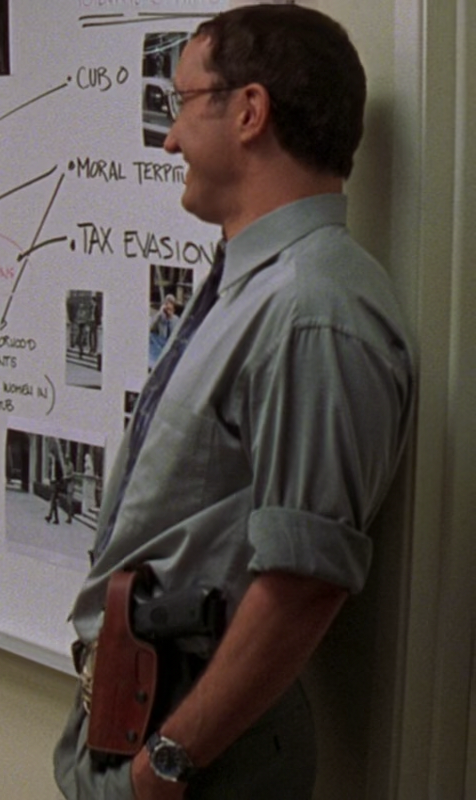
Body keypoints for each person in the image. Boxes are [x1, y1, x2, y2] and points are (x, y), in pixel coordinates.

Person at [54, 7, 415, 798]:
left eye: (181, 102)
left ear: (250, 112)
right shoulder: (248, 285)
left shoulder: (315, 309)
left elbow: (304, 585)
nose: (170, 139)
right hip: (137, 709)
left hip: (200, 754)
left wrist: (166, 765)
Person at [148, 294, 178, 367]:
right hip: (160, 344)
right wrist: (159, 314)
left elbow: (175, 334)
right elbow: (150, 329)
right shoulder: (160, 318)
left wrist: (170, 318)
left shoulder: (176, 319)